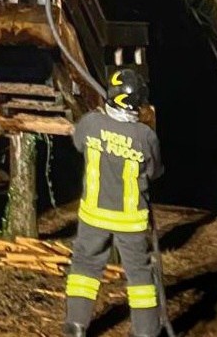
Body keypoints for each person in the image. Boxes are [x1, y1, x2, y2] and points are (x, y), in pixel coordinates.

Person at [63, 68, 164, 337]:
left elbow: (78, 142)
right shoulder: (145, 136)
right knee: (139, 274)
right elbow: (154, 171)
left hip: (93, 215)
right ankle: (146, 332)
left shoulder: (90, 123)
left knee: (85, 266)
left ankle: (76, 326)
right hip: (131, 220)